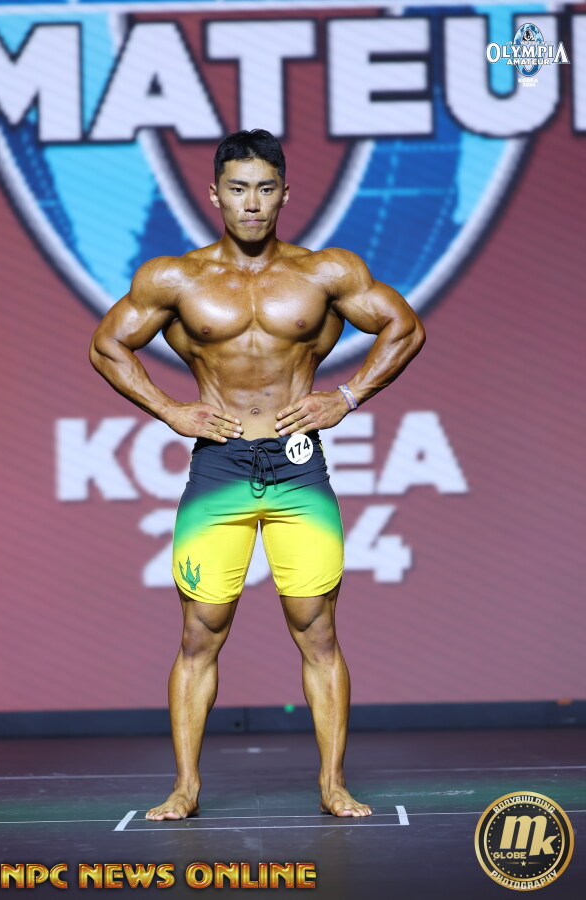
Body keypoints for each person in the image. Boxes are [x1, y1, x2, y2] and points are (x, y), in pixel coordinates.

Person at [89, 129, 425, 820]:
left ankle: (333, 785)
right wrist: (169, 410)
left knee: (317, 630)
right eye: (238, 189)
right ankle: (185, 787)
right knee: (199, 633)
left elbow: (405, 327)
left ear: (284, 195)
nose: (251, 203)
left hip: (298, 466)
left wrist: (347, 396)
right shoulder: (175, 279)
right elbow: (107, 345)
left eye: (265, 189)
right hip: (220, 464)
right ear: (215, 195)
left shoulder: (325, 273)